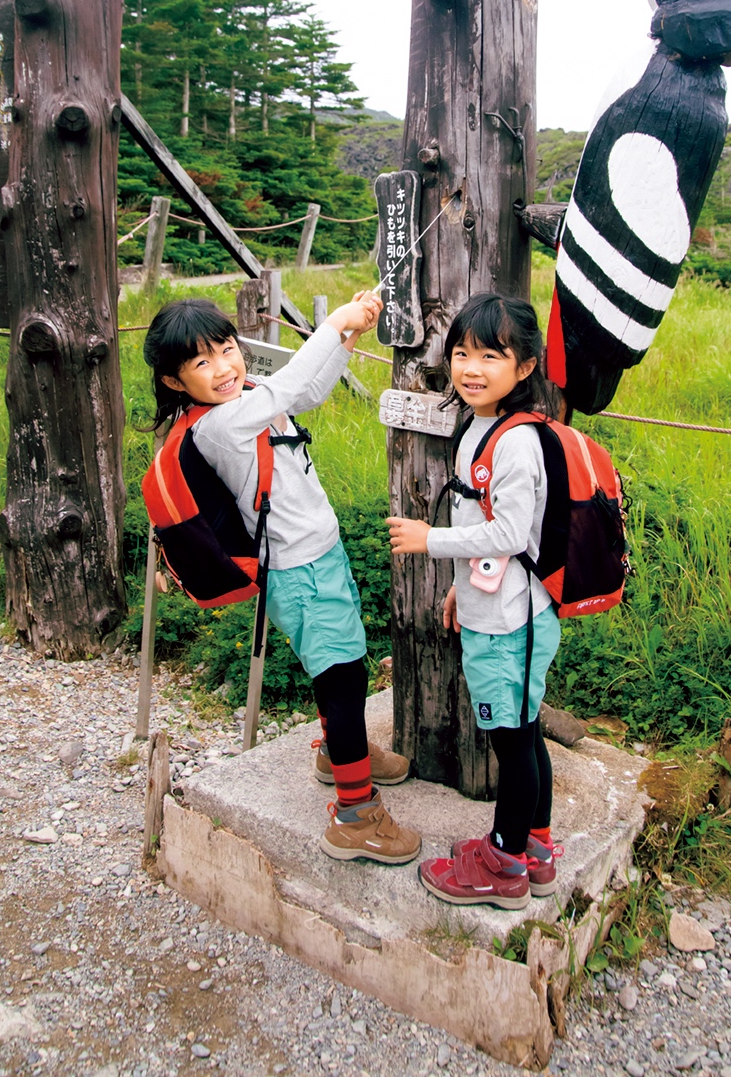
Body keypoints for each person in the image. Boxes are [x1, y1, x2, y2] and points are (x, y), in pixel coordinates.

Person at [143, 292, 421, 866]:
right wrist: (335, 322)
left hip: (318, 555)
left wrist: (345, 342)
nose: (224, 367)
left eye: (226, 349)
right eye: (201, 363)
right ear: (175, 382)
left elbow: (308, 391)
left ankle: (338, 754)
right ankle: (354, 815)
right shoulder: (218, 426)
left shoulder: (246, 400)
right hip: (298, 572)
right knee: (343, 676)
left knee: (341, 666)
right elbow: (288, 386)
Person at [386, 293, 562, 910]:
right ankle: (534, 848)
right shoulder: (483, 425)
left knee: (511, 740)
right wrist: (463, 581)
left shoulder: (516, 441)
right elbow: (490, 522)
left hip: (511, 623)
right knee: (524, 729)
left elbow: (513, 533)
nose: (471, 366)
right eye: (462, 352)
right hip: (507, 608)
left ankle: (504, 862)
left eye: (491, 355)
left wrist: (431, 541)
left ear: (526, 366)